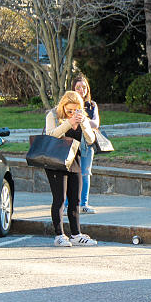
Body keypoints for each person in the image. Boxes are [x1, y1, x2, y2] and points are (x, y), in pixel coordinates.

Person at [45, 91, 98, 247]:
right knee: (60, 199)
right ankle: (59, 235)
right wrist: (69, 122)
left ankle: (76, 234)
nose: (73, 113)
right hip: (55, 160)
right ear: (63, 106)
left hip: (74, 159)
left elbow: (90, 139)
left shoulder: (81, 116)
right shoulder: (53, 115)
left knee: (75, 199)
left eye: (76, 110)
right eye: (69, 111)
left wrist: (82, 123)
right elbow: (51, 135)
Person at [72, 74, 100, 214]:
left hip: (87, 143)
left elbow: (96, 123)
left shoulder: (92, 105)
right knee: (69, 173)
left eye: (84, 87)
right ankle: (68, 205)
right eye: (78, 87)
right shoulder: (68, 104)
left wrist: (81, 119)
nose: (81, 90)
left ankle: (84, 204)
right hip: (71, 143)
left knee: (85, 173)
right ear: (73, 89)